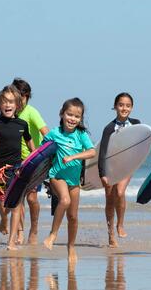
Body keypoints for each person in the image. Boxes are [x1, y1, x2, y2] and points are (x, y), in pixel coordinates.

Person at [0, 85, 35, 250]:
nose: (8, 105)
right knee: (4, 207)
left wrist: (35, 159)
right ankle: (3, 219)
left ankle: (11, 241)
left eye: (11, 102)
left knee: (16, 205)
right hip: (0, 172)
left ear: (17, 104)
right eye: (4, 102)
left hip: (17, 169)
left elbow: (30, 142)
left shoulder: (22, 124)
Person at [42, 98, 96, 263]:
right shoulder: (54, 133)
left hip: (74, 180)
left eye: (77, 116)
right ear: (62, 114)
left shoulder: (81, 135)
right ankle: (52, 234)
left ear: (81, 119)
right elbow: (41, 153)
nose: (72, 119)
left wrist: (74, 156)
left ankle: (71, 247)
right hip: (57, 176)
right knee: (64, 201)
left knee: (73, 216)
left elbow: (92, 152)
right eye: (69, 114)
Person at [98, 92, 141, 247]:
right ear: (115, 106)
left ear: (132, 108)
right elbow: (102, 152)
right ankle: (110, 234)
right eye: (121, 105)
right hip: (111, 166)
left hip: (126, 166)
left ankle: (120, 224)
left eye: (128, 105)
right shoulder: (109, 128)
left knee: (120, 192)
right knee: (110, 200)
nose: (124, 108)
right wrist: (102, 174)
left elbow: (141, 145)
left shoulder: (137, 125)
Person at [12, 78, 50, 245]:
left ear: (26, 96)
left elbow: (46, 132)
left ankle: (33, 229)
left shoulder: (31, 112)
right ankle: (19, 232)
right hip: (15, 161)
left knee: (32, 198)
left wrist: (46, 154)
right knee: (17, 198)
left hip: (33, 160)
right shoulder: (10, 113)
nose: (15, 101)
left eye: (18, 97)